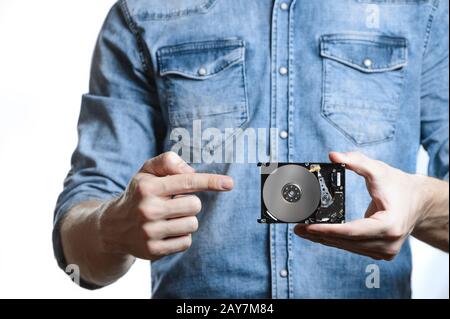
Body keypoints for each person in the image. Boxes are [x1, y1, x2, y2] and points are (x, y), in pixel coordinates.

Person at [53, 0, 449, 298]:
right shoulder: (143, 12)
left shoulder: (423, 10)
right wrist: (111, 228)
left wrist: (424, 203)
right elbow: (77, 245)